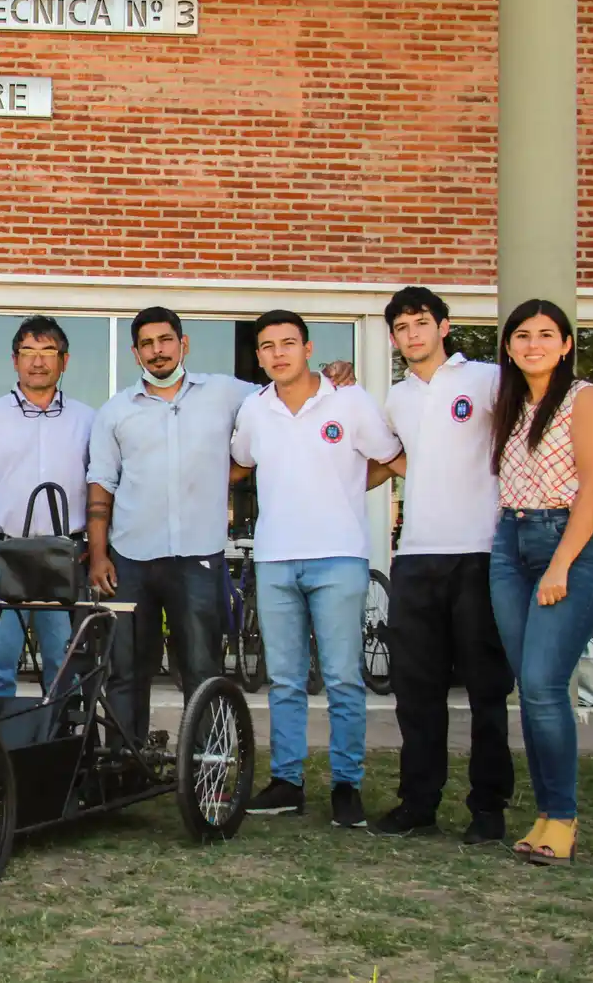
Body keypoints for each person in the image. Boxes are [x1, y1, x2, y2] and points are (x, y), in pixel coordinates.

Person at [87, 307, 354, 740]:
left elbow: (285, 390)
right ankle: (122, 769)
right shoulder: (115, 411)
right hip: (131, 558)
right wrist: (98, 554)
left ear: (183, 343)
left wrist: (332, 373)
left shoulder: (228, 393)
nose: (158, 351)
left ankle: (205, 770)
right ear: (136, 354)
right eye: (147, 344)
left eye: (166, 340)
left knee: (201, 669)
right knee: (125, 670)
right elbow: (101, 485)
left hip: (198, 557)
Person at [230, 309, 401, 828]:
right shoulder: (254, 409)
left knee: (343, 679)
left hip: (339, 557)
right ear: (259, 357)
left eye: (287, 343)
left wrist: (349, 486)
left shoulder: (349, 400)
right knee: (283, 680)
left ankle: (346, 786)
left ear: (308, 348)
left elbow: (392, 457)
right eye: (267, 346)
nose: (278, 353)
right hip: (276, 558)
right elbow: (239, 465)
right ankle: (287, 782)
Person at [369, 288, 514, 844]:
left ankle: (487, 808)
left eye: (421, 323)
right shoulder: (396, 400)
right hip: (416, 557)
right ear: (393, 337)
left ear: (444, 326)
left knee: (485, 691)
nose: (412, 334)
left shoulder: (487, 379)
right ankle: (419, 803)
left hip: (479, 552)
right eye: (402, 327)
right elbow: (392, 459)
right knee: (417, 692)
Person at [489, 299, 593, 867]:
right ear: (509, 346)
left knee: (543, 683)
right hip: (509, 544)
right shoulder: (511, 404)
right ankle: (544, 815)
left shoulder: (583, 398)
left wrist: (562, 564)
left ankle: (562, 816)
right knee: (530, 688)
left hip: (572, 544)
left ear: (565, 344)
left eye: (545, 334)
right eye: (521, 335)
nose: (532, 344)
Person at [0, 316, 94, 704]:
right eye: (28, 353)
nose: (38, 362)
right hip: (3, 555)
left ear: (65, 360)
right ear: (15, 360)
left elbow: (102, 491)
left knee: (65, 664)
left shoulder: (87, 420)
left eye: (48, 353)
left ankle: (60, 752)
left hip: (65, 555)